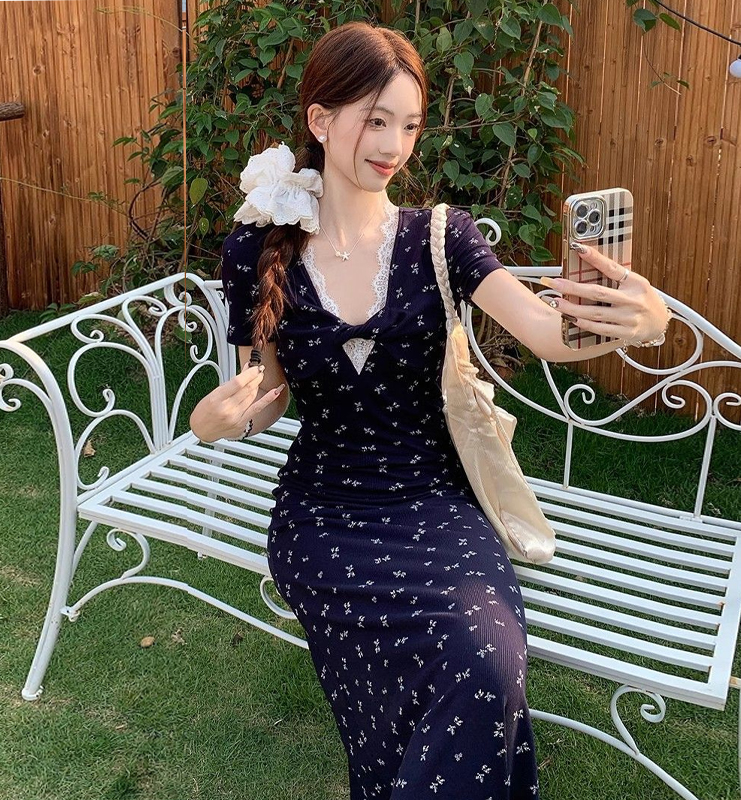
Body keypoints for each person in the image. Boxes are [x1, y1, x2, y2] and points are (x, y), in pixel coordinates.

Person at [190, 20, 671, 799]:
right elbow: (265, 398)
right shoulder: (257, 250)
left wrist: (647, 321)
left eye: (410, 126)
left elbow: (548, 332)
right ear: (321, 119)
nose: (394, 146)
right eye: (376, 120)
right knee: (415, 679)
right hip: (324, 513)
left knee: (487, 660)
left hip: (435, 502)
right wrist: (214, 423)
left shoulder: (440, 238)